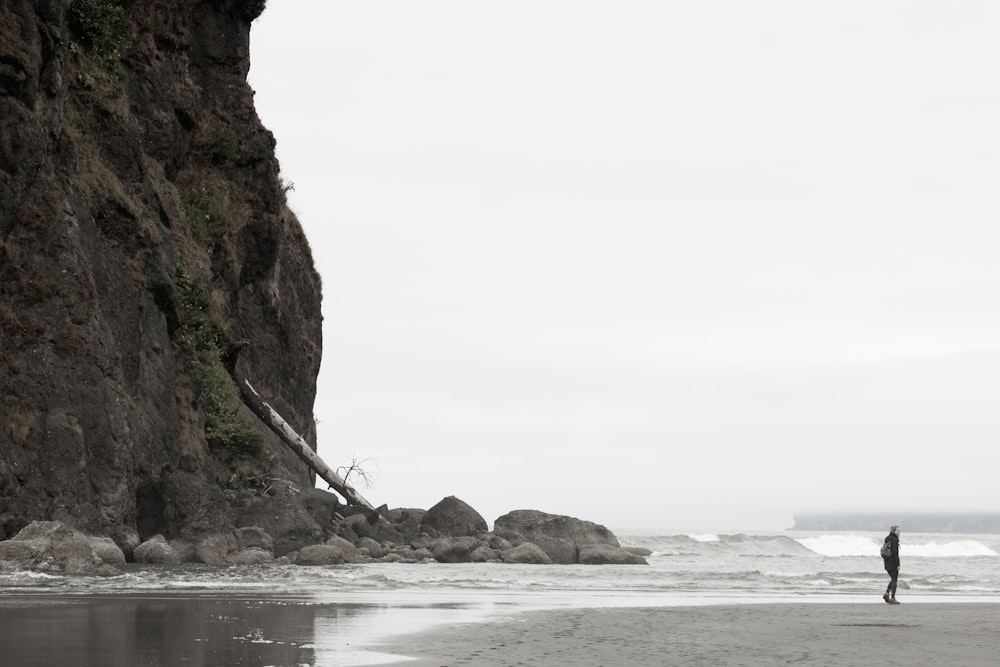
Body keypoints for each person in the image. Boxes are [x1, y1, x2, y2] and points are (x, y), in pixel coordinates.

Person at [882, 525, 901, 604]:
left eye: (899, 530)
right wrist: (898, 564)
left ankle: (887, 594)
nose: (899, 532)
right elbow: (895, 553)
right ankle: (892, 597)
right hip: (893, 562)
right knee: (894, 580)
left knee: (893, 579)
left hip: (887, 561)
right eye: (897, 530)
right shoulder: (894, 539)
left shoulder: (887, 538)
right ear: (894, 531)